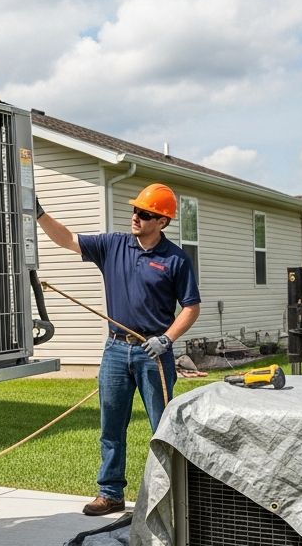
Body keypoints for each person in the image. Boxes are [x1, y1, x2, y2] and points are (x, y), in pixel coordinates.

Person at [37, 183, 201, 515]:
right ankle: (110, 493)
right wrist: (39, 213)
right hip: (115, 350)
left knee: (163, 427)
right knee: (111, 426)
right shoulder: (113, 245)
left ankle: (171, 496)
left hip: (154, 354)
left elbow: (191, 307)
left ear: (162, 222)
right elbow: (67, 239)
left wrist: (166, 339)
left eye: (145, 214)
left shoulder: (175, 259)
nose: (136, 217)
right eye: (135, 210)